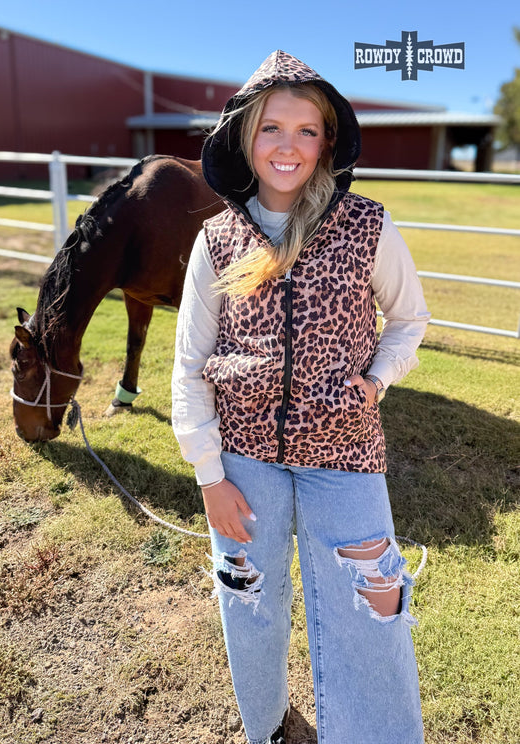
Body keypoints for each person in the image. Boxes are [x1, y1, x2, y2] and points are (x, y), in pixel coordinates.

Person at [172, 50, 430, 744]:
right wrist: (209, 476)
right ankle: (267, 729)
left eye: (305, 130)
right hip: (243, 457)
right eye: (270, 129)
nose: (287, 146)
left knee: (374, 602)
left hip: (343, 452)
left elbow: (408, 318)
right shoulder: (217, 241)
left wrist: (378, 378)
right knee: (248, 601)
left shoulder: (365, 225)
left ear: (327, 141)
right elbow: (189, 362)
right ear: (245, 138)